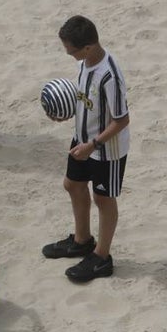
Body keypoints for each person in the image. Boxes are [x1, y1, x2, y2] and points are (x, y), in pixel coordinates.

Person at [42, 15, 130, 282]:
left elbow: (122, 120)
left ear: (89, 47)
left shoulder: (110, 76)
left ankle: (102, 258)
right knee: (73, 185)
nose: (69, 54)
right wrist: (68, 112)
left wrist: (93, 145)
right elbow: (86, 100)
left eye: (72, 50)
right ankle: (82, 241)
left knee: (103, 199)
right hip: (82, 140)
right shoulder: (85, 62)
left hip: (106, 149)